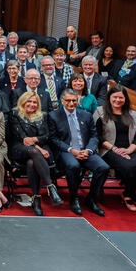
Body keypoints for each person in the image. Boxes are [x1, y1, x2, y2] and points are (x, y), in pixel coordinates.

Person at [47, 88, 110, 216]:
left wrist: (88, 150)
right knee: (73, 165)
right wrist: (72, 150)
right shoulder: (53, 116)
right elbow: (53, 139)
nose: (71, 103)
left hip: (85, 150)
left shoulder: (86, 115)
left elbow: (94, 136)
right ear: (62, 101)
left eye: (74, 100)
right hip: (66, 151)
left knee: (103, 167)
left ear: (78, 100)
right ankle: (74, 197)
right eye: (68, 101)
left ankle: (91, 198)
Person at [97, 86, 136, 212]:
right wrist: (115, 149)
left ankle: (129, 194)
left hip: (130, 150)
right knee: (129, 167)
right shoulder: (100, 112)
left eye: (121, 97)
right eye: (115, 97)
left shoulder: (132, 114)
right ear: (109, 98)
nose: (118, 100)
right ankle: (133, 196)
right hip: (109, 150)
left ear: (125, 99)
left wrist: (129, 150)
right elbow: (98, 136)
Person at [8, 91, 59, 215]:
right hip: (19, 148)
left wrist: (36, 140)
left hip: (38, 152)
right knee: (34, 151)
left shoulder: (43, 115)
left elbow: (47, 136)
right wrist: (40, 148)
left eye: (34, 102)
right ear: (23, 102)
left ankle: (36, 199)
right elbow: (23, 138)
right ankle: (50, 186)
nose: (32, 104)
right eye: (29, 101)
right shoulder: (15, 113)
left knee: (31, 163)